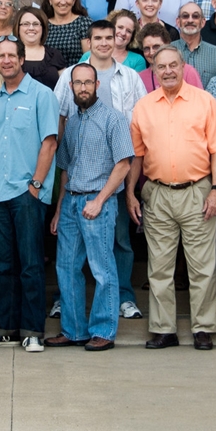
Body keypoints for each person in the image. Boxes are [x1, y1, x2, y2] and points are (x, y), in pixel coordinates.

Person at [127, 45, 216, 351]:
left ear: (183, 67)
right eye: (162, 66)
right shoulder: (143, 106)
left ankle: (203, 327)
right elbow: (137, 156)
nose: (168, 71)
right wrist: (131, 193)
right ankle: (164, 330)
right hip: (157, 193)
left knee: (202, 266)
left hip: (198, 191)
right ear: (154, 71)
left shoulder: (205, 101)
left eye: (173, 65)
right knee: (159, 267)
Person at [52, 22, 147, 323]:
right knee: (70, 256)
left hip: (115, 174)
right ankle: (70, 312)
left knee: (118, 242)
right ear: (89, 42)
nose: (104, 42)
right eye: (98, 38)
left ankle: (123, 300)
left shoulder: (129, 78)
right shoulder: (70, 75)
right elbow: (60, 118)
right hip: (79, 175)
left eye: (109, 37)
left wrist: (127, 188)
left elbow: (138, 129)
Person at [0, 37, 59, 353]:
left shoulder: (41, 95)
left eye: (12, 55)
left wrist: (35, 185)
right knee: (4, 263)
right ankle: (6, 328)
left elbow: (50, 143)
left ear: (22, 59)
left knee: (31, 263)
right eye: (1, 56)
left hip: (27, 194)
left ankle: (33, 331)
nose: (6, 60)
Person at [46, 63, 133, 351]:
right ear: (71, 87)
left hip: (98, 203)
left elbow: (124, 164)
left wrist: (99, 200)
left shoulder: (113, 119)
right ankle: (73, 331)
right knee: (66, 268)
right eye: (77, 83)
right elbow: (65, 169)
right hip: (71, 203)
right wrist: (59, 209)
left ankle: (104, 330)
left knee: (102, 268)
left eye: (88, 82)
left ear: (97, 85)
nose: (82, 87)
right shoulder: (72, 123)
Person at [141, 20, 203, 91]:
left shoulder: (187, 71)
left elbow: (199, 97)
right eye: (146, 49)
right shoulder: (141, 78)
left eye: (156, 47)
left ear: (167, 44)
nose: (151, 52)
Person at [44, 0, 93, 66]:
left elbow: (88, 59)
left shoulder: (84, 23)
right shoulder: (43, 25)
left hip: (77, 73)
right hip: (48, 74)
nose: (63, 2)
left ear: (74, 0)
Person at [79, 9, 147, 72]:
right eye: (120, 27)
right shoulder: (88, 56)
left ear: (133, 36)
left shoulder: (138, 60)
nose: (123, 33)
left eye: (128, 31)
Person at [170, 5, 216, 87]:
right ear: (178, 22)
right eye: (185, 16)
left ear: (203, 22)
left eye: (195, 16)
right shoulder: (168, 51)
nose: (190, 20)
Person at [15, 6, 66, 89]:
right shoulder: (10, 55)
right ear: (18, 27)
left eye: (36, 24)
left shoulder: (54, 55)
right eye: (26, 24)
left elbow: (64, 87)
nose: (31, 28)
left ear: (43, 28)